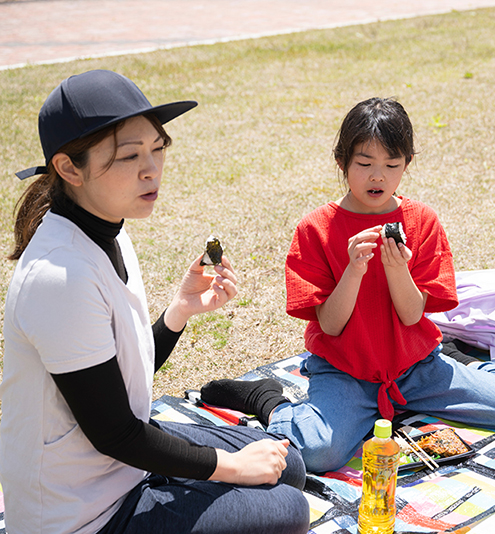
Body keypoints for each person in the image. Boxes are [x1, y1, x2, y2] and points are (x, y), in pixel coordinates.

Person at [0, 70, 309, 534]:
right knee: (289, 509)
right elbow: (116, 433)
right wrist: (234, 468)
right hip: (84, 514)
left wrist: (179, 312)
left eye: (157, 148)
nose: (152, 168)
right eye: (129, 156)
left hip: (120, 466)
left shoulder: (109, 228)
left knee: (290, 468)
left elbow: (118, 378)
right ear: (69, 169)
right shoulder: (59, 277)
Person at [200, 97, 495, 473]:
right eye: (364, 164)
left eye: (392, 165)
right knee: (317, 453)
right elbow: (329, 326)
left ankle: (461, 359)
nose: (378, 176)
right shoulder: (316, 229)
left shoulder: (421, 221)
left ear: (407, 164)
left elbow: (412, 314)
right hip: (346, 371)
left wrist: (397, 271)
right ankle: (268, 400)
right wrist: (353, 271)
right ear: (342, 162)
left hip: (415, 364)